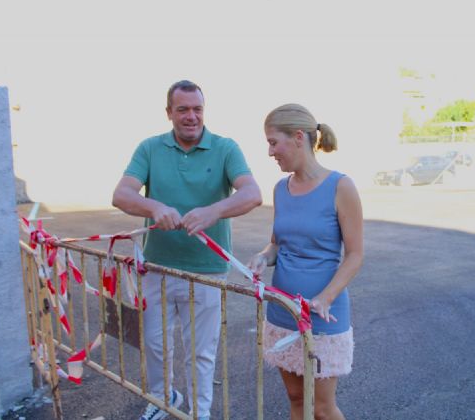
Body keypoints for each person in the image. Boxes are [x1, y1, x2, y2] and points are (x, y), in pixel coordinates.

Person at [112, 80, 262, 420]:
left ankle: (200, 412)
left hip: (207, 270)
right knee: (153, 343)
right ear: (169, 113)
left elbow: (252, 193)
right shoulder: (150, 148)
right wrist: (152, 207)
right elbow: (121, 194)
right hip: (158, 268)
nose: (191, 117)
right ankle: (163, 399)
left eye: (197, 109)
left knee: (201, 352)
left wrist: (214, 211)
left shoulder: (225, 148)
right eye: (183, 110)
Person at [247, 104, 363, 420]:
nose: (270, 152)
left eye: (273, 142)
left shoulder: (341, 186)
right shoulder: (281, 189)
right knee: (296, 398)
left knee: (322, 408)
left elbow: (355, 255)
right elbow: (276, 243)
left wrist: (326, 298)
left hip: (321, 316)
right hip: (283, 311)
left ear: (299, 137)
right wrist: (262, 257)